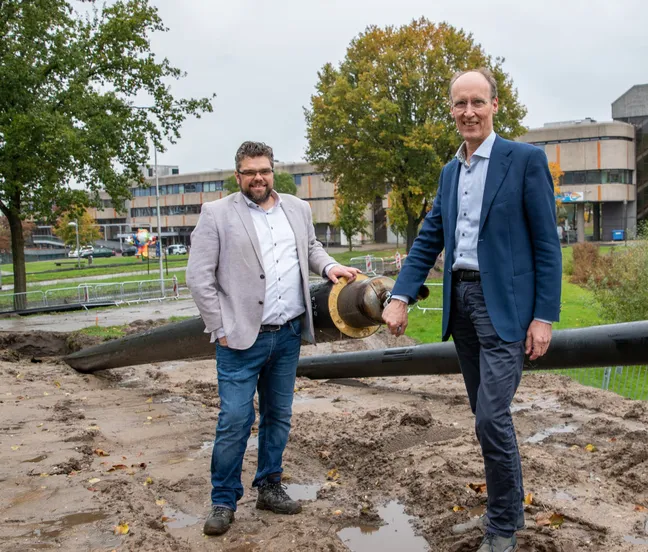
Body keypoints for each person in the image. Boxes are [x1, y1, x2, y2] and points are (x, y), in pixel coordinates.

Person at [382, 69, 562, 552]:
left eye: (477, 102)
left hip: (505, 307)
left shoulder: (524, 160)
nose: (468, 112)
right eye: (459, 104)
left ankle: (502, 527)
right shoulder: (450, 171)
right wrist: (400, 296)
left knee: (490, 417)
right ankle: (509, 509)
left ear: (494, 105)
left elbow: (547, 245)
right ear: (451, 110)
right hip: (459, 301)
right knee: (488, 417)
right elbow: (428, 240)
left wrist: (545, 315)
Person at [186, 141, 359, 536]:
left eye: (263, 170)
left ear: (272, 172)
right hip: (240, 340)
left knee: (277, 416)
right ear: (238, 176)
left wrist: (330, 267)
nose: (258, 178)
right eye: (250, 172)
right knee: (234, 420)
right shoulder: (216, 214)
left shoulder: (296, 208)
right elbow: (198, 278)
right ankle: (223, 500)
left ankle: (269, 485)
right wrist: (220, 328)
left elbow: (310, 248)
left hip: (287, 335)